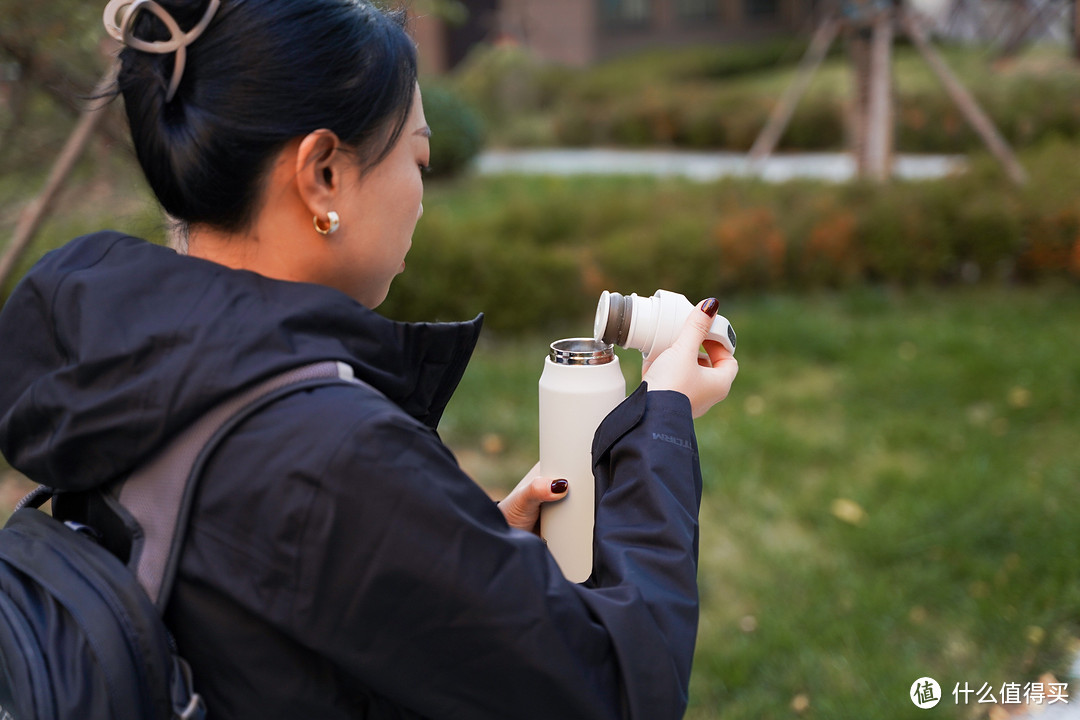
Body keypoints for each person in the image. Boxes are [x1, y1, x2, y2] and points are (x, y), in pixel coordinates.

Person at [0, 0, 738, 718]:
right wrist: (664, 420)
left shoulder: (133, 360)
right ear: (322, 174)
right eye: (416, 156)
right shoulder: (326, 451)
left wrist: (458, 546)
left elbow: (246, 602)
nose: (421, 195)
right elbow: (617, 689)